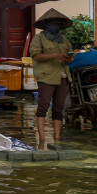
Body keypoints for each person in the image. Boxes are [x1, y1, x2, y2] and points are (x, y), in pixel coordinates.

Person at [29, 8, 74, 147]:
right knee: (43, 107)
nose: (56, 25)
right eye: (53, 23)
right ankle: (42, 139)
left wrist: (68, 58)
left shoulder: (64, 39)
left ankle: (57, 137)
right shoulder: (39, 38)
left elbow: (71, 57)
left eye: (58, 23)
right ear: (47, 23)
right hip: (46, 76)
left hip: (63, 76)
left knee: (59, 108)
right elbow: (35, 55)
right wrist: (55, 55)